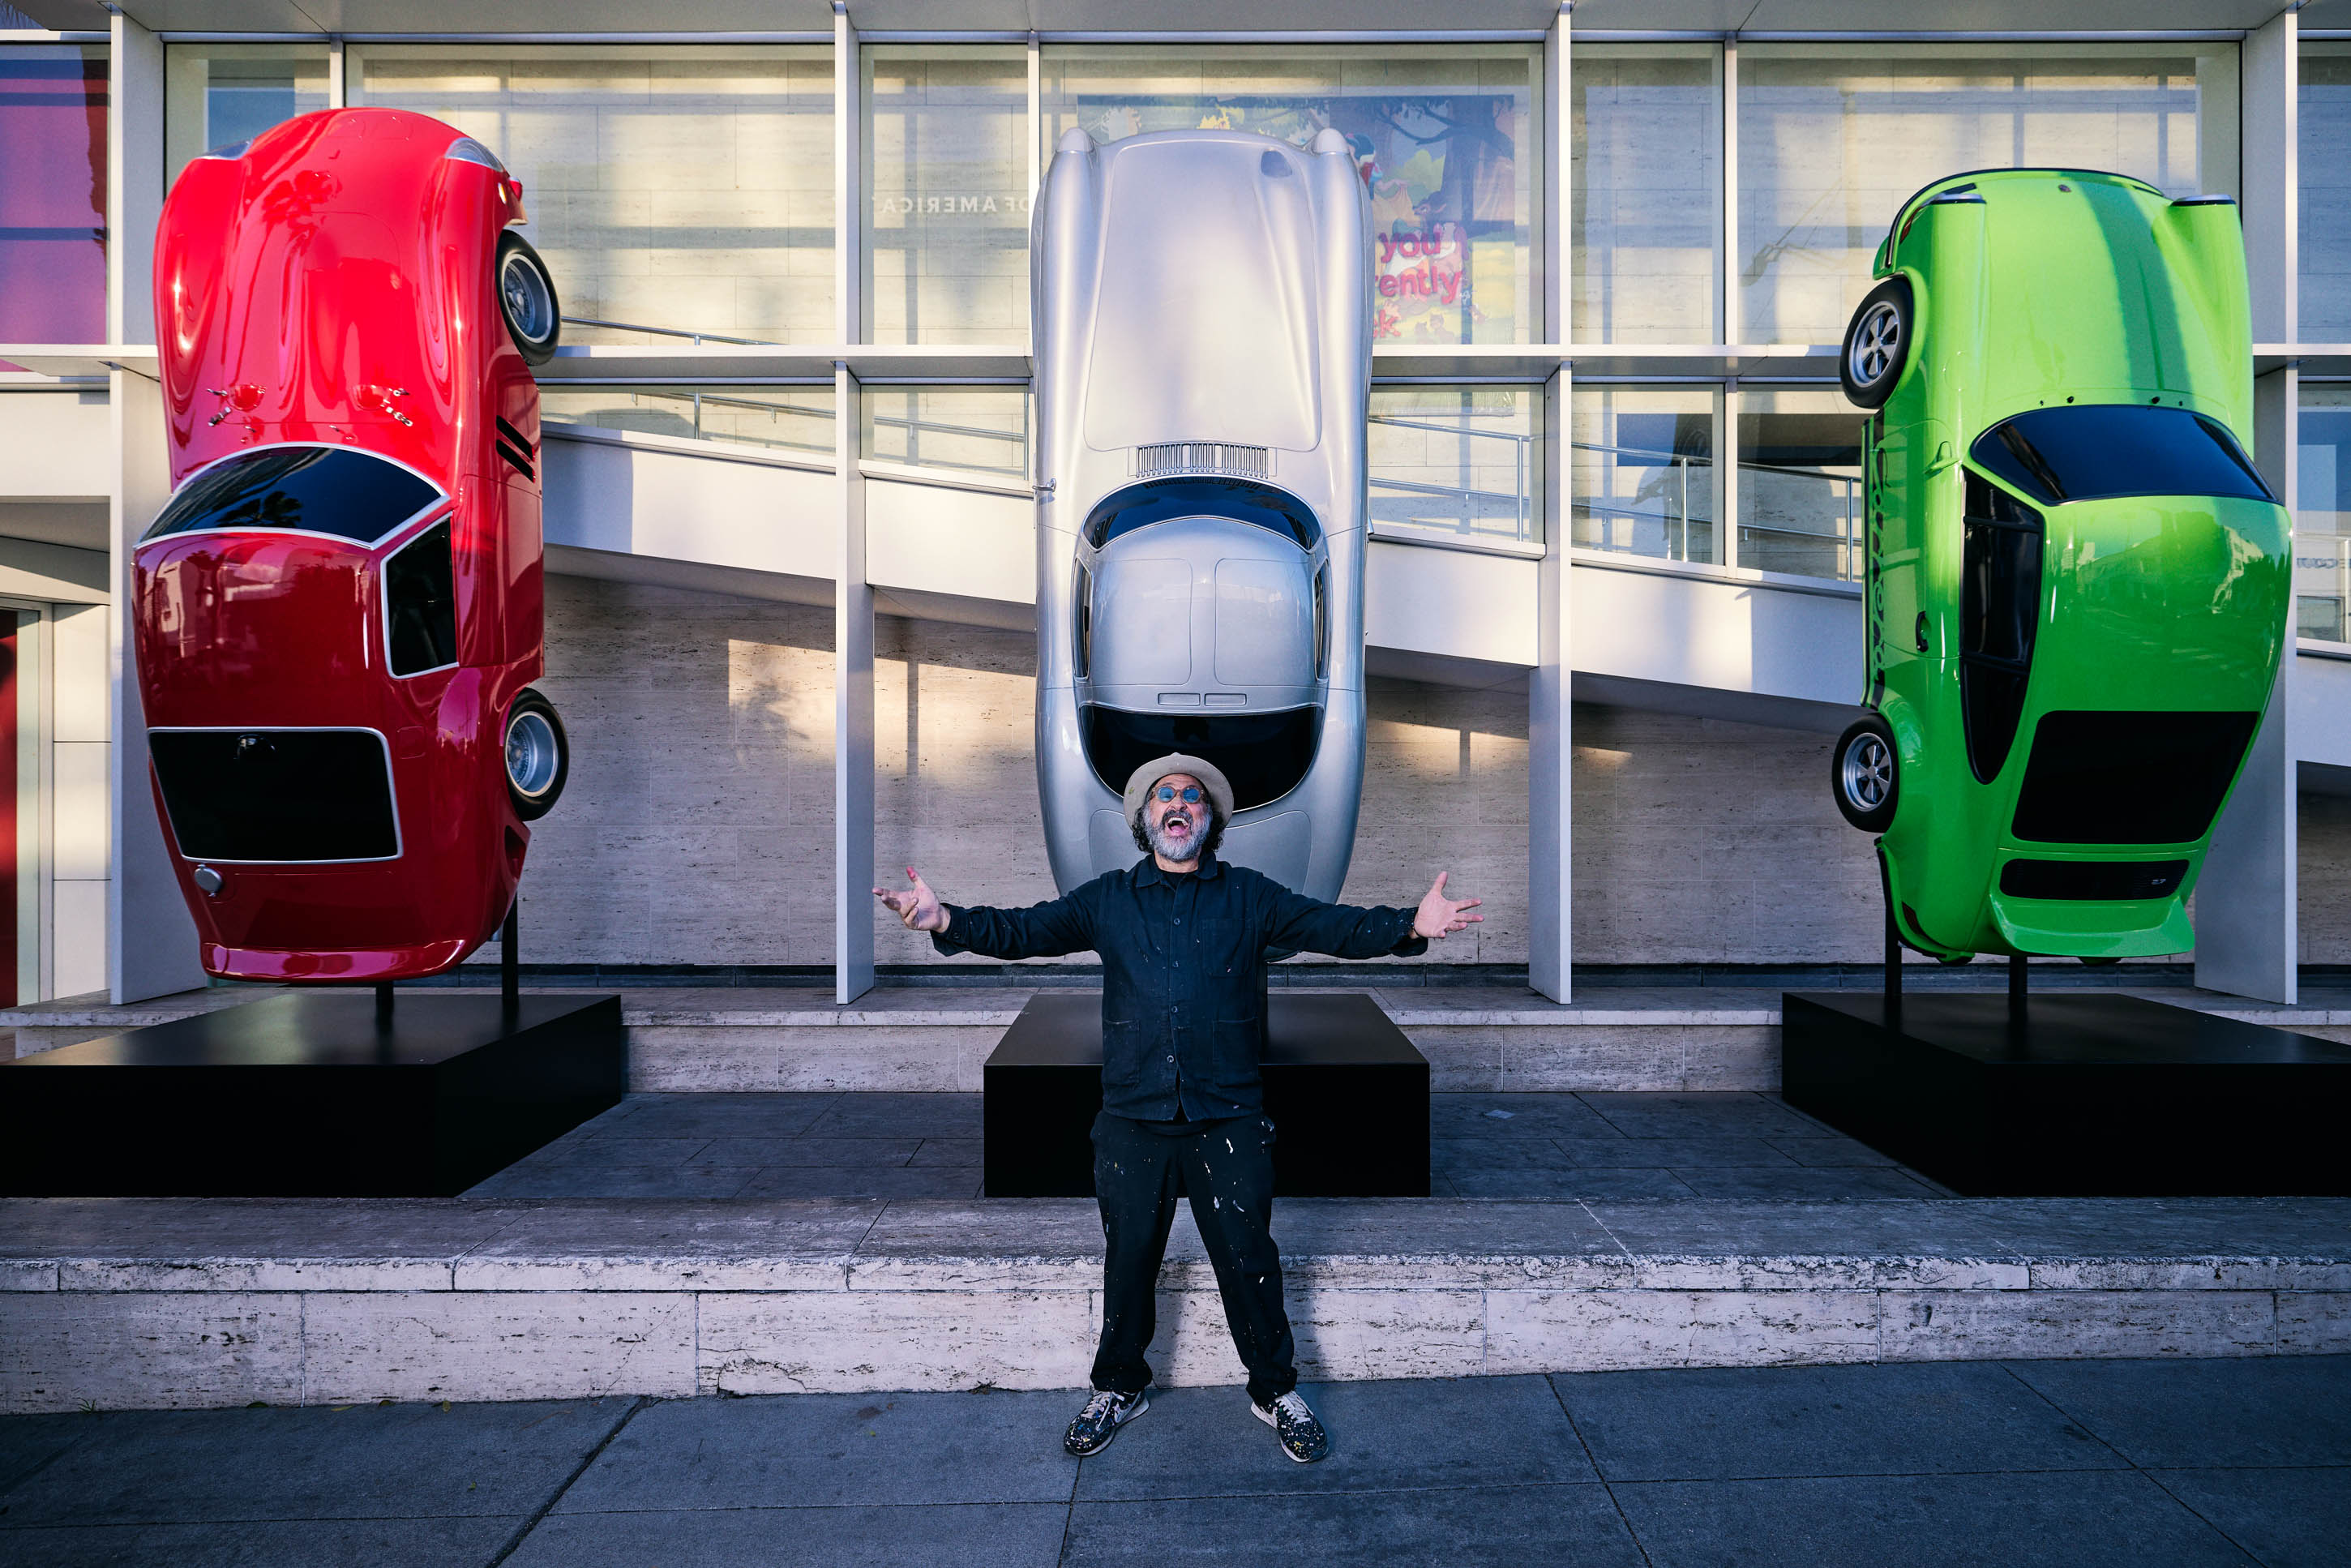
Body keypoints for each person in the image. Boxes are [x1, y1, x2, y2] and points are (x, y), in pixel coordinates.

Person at [874, 752, 1483, 1464]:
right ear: (1145, 820)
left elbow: (1333, 928)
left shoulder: (1250, 897)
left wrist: (1410, 924)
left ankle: (1275, 1390)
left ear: (1209, 821)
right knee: (1129, 1259)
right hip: (1133, 1117)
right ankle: (1119, 1385)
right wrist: (945, 918)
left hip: (1227, 1117)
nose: (1179, 805)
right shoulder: (1108, 899)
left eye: (1193, 798)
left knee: (1250, 1258)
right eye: (1165, 796)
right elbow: (1024, 931)